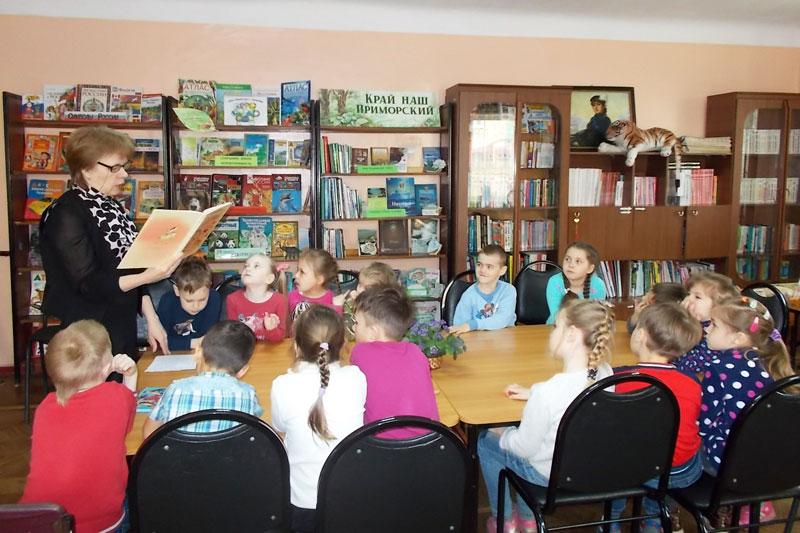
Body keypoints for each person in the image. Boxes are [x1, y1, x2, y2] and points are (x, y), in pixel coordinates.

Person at [39, 126, 180, 360]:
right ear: (86, 170)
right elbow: (90, 285)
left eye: (124, 166)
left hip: (121, 321)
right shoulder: (66, 214)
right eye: (114, 167)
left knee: (124, 380)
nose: (124, 175)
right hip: (88, 332)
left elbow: (131, 267)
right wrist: (149, 276)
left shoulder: (112, 207)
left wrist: (151, 319)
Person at [478, 299, 615, 533]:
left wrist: (504, 434)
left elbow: (524, 449)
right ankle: (528, 520)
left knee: (486, 440)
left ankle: (505, 520)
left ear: (571, 334)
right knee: (532, 441)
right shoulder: (605, 373)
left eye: (555, 326)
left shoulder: (548, 392)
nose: (552, 332)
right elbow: (570, 393)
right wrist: (532, 392)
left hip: (547, 475)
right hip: (588, 470)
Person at [20, 320, 137, 532]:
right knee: (134, 496)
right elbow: (128, 424)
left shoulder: (45, 408)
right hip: (101, 521)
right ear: (107, 367)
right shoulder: (115, 397)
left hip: (42, 520)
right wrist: (131, 375)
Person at [270, 305, 366, 532]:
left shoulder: (282, 385)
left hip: (301, 503)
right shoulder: (356, 378)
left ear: (296, 347)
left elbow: (279, 427)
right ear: (344, 344)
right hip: (349, 499)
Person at [611, 303, 704, 533]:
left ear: (641, 335)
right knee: (673, 453)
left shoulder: (620, 379)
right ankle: (655, 518)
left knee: (614, 453)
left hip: (637, 469)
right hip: (683, 471)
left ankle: (611, 517)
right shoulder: (692, 381)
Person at [143, 320, 262, 437]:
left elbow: (149, 435)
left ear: (198, 353)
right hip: (230, 451)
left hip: (180, 450)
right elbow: (254, 434)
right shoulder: (249, 395)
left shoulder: (175, 390)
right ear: (243, 370)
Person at [350, 285, 439, 438]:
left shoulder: (360, 353)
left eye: (357, 323)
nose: (354, 327)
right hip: (430, 443)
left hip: (380, 447)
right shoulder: (416, 352)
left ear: (372, 332)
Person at [675, 271, 740, 373]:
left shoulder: (716, 332)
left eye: (697, 297)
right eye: (689, 294)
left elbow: (690, 366)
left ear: (717, 305)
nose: (688, 299)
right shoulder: (696, 322)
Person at [156, 255, 221, 351]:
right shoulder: (167, 302)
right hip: (172, 355)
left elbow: (209, 339)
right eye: (189, 301)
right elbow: (160, 341)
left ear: (210, 287)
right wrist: (193, 343)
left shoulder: (214, 298)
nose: (196, 306)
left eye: (202, 300)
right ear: (177, 290)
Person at [450, 244, 517, 333]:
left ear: (502, 270)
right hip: (478, 339)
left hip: (504, 337)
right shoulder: (468, 295)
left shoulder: (508, 290)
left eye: (489, 266)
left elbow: (503, 319)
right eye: (479, 264)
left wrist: (473, 325)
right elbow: (459, 326)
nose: (482, 270)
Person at [225, 253, 288, 342]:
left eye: (256, 266)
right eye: (246, 266)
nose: (248, 268)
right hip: (243, 348)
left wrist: (271, 329)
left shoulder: (280, 300)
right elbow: (232, 336)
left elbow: (280, 337)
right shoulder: (232, 299)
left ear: (269, 279)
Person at [545, 241, 606, 325]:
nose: (571, 265)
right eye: (567, 259)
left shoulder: (598, 285)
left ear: (590, 268)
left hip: (587, 329)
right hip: (556, 327)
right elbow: (556, 316)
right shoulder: (555, 282)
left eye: (578, 261)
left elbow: (597, 316)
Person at [342, 261, 400, 339]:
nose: (360, 290)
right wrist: (353, 304)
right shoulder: (352, 302)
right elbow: (345, 329)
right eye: (360, 284)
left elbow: (352, 334)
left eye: (367, 288)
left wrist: (359, 307)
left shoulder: (386, 310)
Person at [288, 248, 343, 320]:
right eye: (297, 270)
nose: (296, 275)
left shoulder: (331, 300)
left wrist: (338, 308)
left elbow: (335, 325)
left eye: (302, 272)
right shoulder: (292, 296)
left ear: (319, 280)